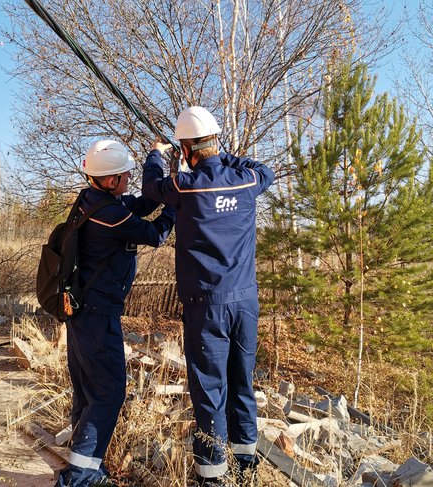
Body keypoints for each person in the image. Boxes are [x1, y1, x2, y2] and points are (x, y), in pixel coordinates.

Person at [142, 107, 275, 486]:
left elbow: (151, 188)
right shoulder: (246, 180)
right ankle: (246, 468)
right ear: (215, 142)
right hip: (245, 303)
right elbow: (266, 170)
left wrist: (157, 152)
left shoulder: (186, 186)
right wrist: (222, 154)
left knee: (210, 390)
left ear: (186, 150)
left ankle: (212, 476)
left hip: (208, 307)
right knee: (242, 383)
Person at [56, 140, 175, 487]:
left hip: (83, 314)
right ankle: (79, 476)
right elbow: (155, 233)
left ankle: (84, 466)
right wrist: (177, 202)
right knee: (109, 393)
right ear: (110, 181)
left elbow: (144, 202)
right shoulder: (109, 215)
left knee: (89, 392)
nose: (128, 180)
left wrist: (158, 157)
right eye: (124, 175)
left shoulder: (95, 200)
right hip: (97, 317)